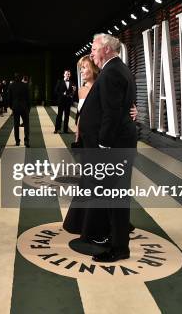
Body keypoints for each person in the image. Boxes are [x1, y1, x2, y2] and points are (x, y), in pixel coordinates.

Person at [75, 33, 137, 263]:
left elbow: (111, 113)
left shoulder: (111, 72)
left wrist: (103, 144)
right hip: (119, 144)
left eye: (94, 47)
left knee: (115, 197)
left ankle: (119, 248)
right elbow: (122, 107)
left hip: (113, 147)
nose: (92, 52)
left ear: (108, 49)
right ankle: (115, 238)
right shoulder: (118, 69)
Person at [8, 73, 30, 147]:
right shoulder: (25, 85)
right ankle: (26, 141)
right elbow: (28, 98)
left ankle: (17, 141)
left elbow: (10, 98)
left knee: (16, 125)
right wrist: (28, 108)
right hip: (24, 107)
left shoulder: (11, 86)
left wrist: (11, 107)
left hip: (16, 107)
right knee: (26, 124)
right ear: (21, 78)